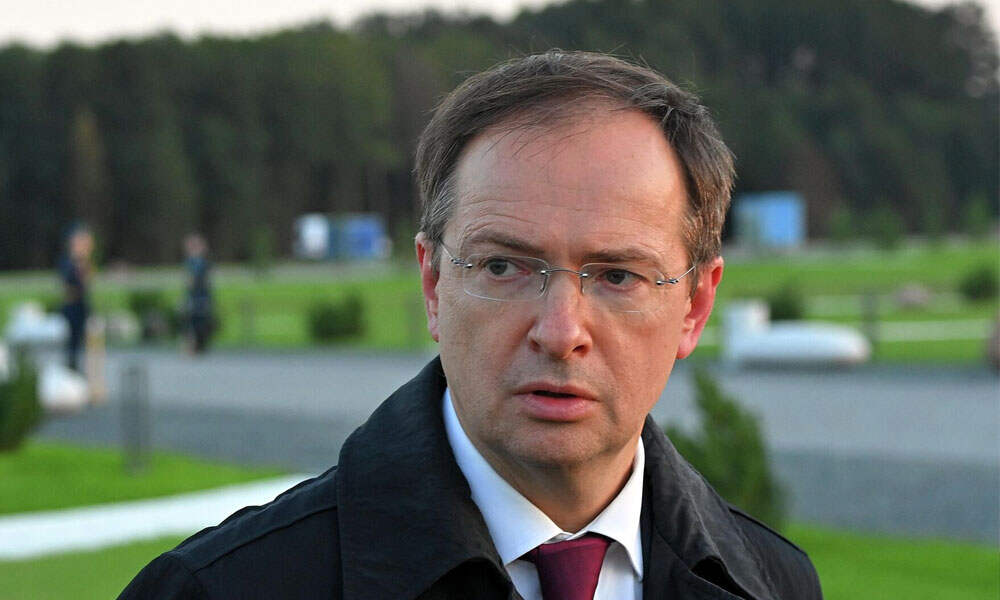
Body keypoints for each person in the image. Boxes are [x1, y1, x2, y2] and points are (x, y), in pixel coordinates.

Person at [120, 51, 821, 599]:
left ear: (694, 306)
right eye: (503, 267)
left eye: (616, 276)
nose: (560, 332)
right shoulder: (217, 590)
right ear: (433, 284)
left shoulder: (777, 583)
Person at [59, 225, 93, 372]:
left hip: (82, 307)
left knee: (83, 345)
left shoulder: (83, 262)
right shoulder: (68, 263)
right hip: (73, 309)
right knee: (73, 345)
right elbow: (69, 288)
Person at [182, 233, 215, 354]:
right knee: (194, 323)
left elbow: (192, 281)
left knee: (196, 324)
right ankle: (194, 347)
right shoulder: (195, 262)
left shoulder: (199, 262)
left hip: (199, 298)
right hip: (197, 298)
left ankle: (194, 347)